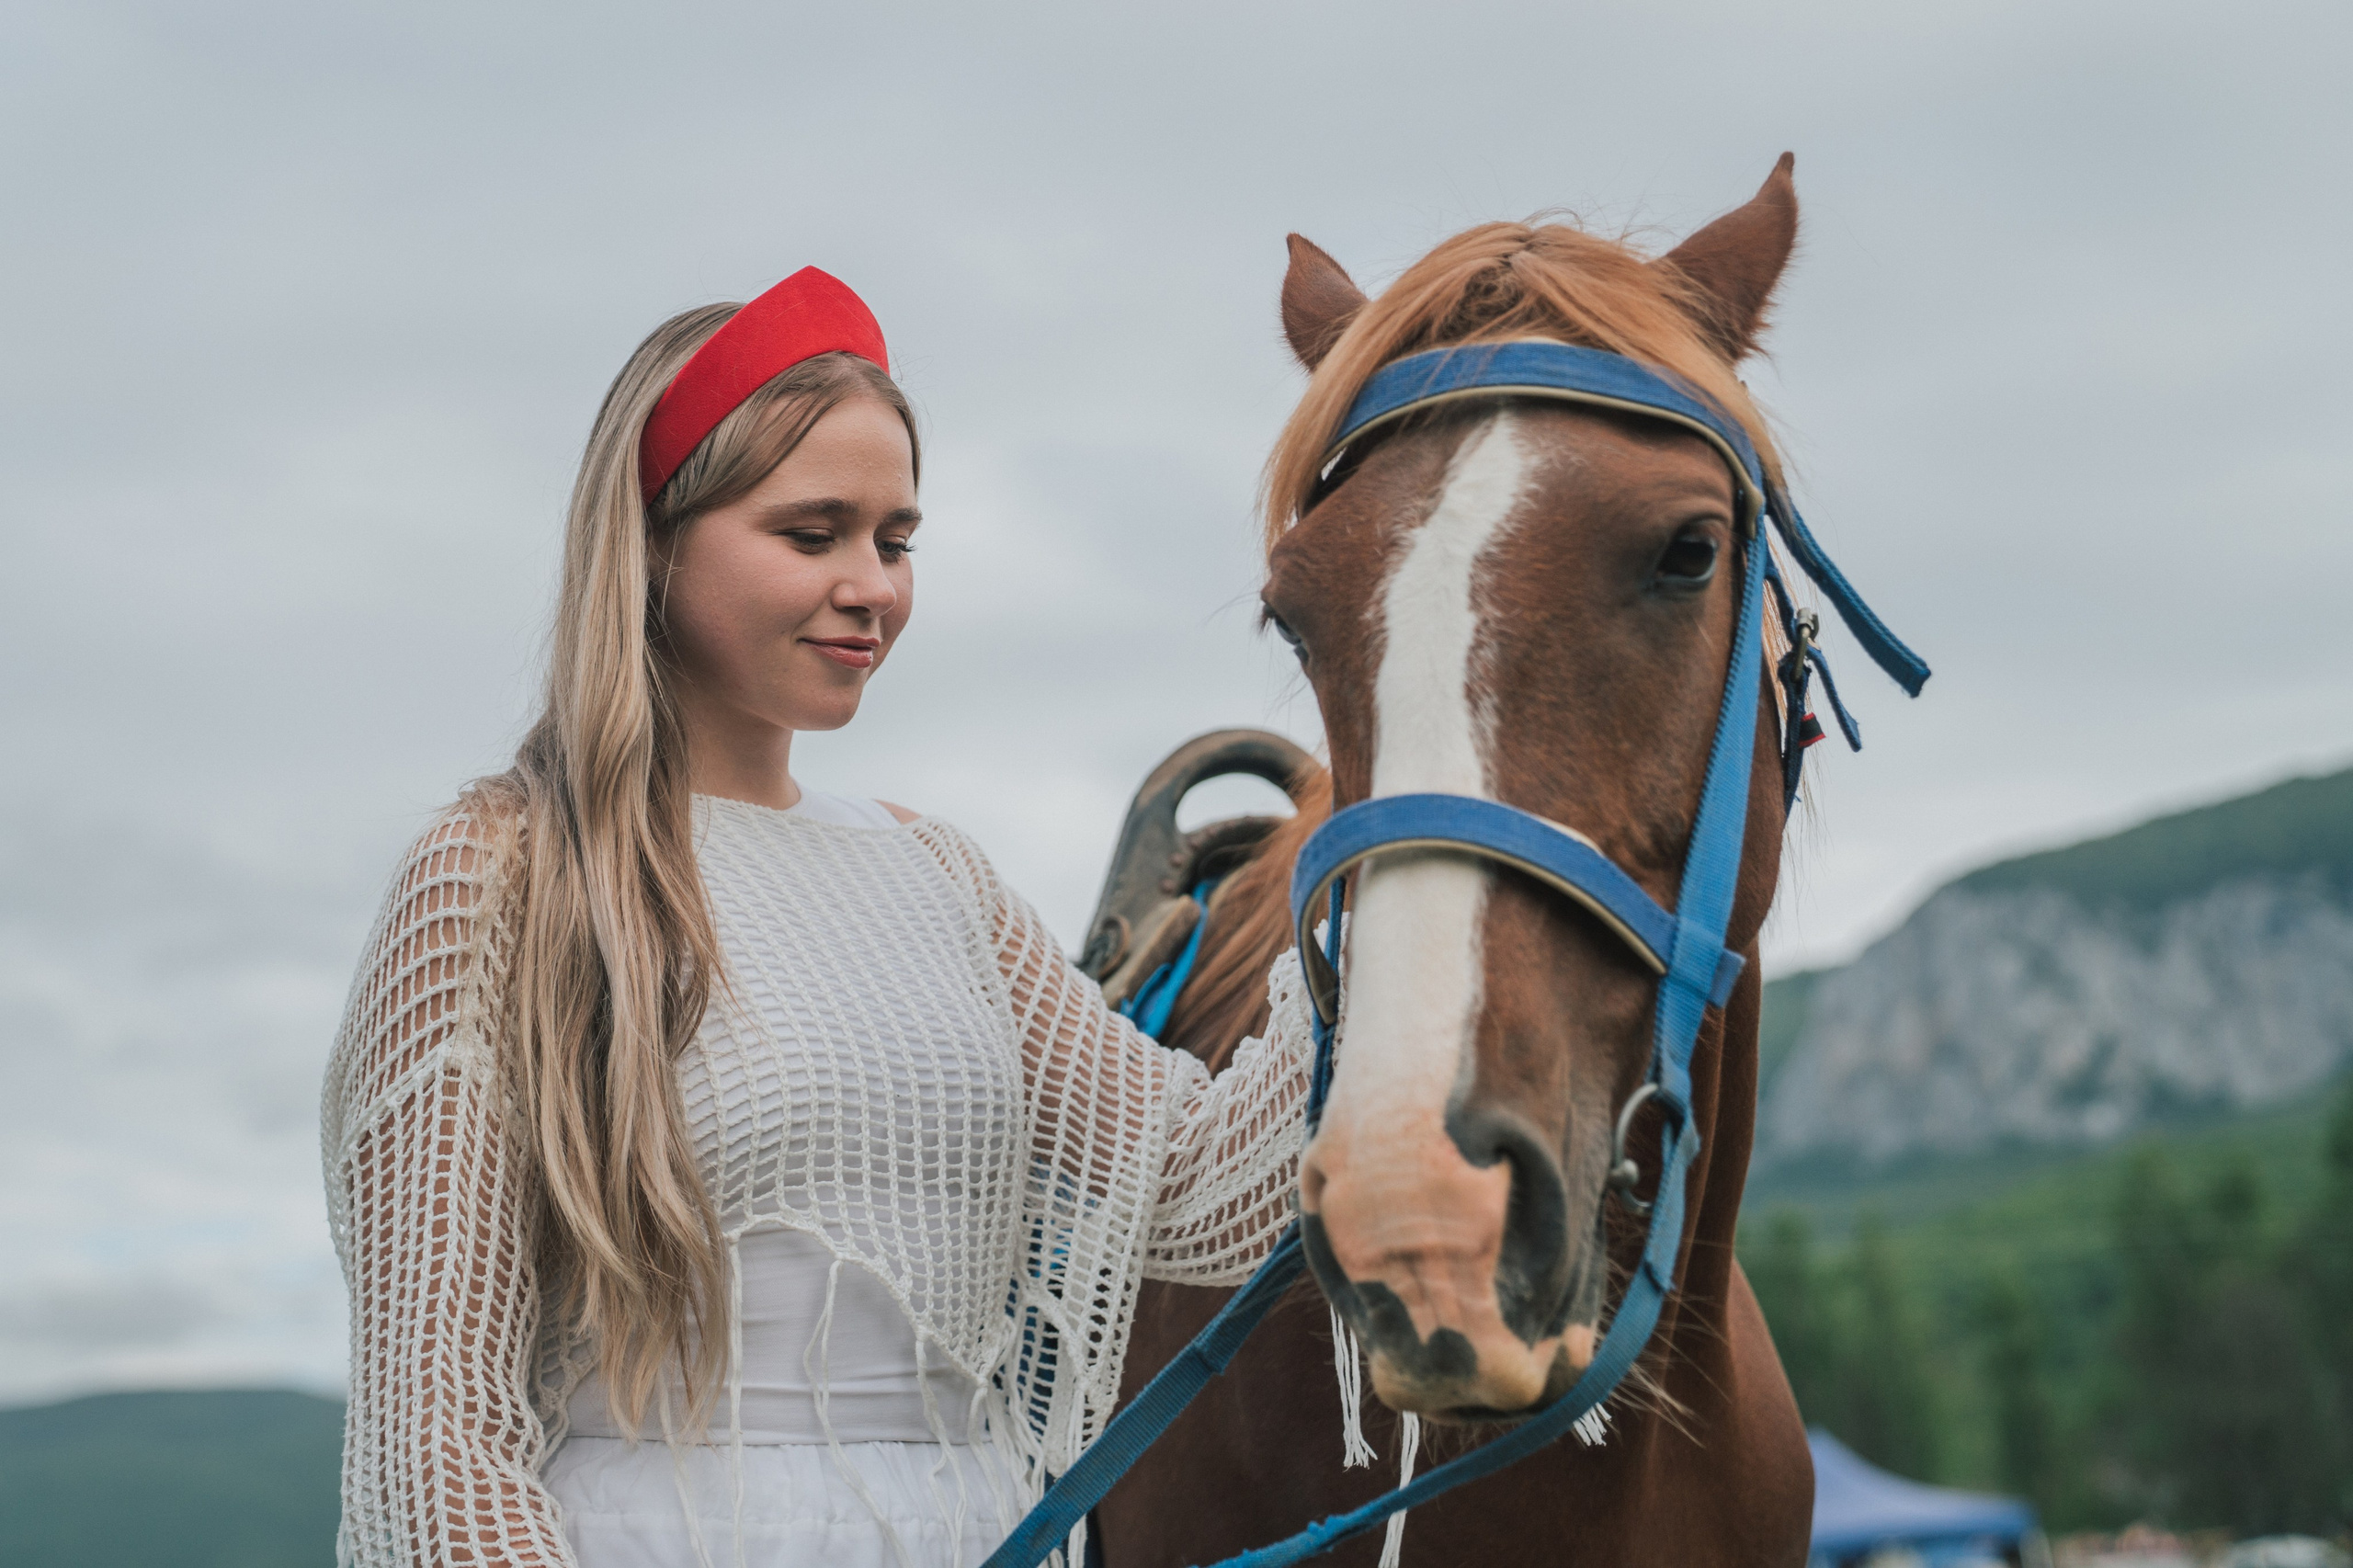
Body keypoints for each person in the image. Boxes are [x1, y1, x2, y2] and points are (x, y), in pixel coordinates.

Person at [320, 268, 1314, 1568]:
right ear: (657, 540)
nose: (874, 588)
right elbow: (436, 1442)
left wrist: (1390, 897)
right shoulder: (502, 871)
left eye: (896, 541)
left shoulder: (934, 873)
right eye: (814, 534)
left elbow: (1192, 1189)